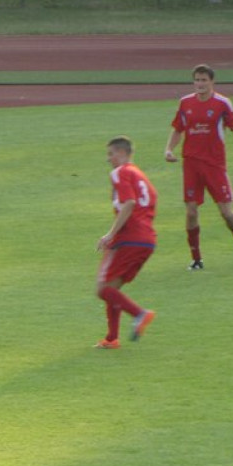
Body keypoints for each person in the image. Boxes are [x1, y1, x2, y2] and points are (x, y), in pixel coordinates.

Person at [164, 64, 233, 270]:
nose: (200, 84)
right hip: (191, 164)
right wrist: (169, 149)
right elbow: (178, 128)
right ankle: (196, 259)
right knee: (191, 212)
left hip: (214, 165)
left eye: (204, 80)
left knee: (226, 213)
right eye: (197, 80)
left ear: (212, 82)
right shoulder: (185, 102)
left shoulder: (222, 103)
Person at [94, 137, 157, 350]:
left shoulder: (120, 172)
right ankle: (112, 339)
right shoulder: (140, 175)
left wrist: (110, 234)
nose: (108, 159)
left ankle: (140, 314)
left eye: (111, 154)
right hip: (147, 240)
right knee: (113, 289)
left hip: (128, 238)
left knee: (103, 289)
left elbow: (129, 203)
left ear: (122, 153)